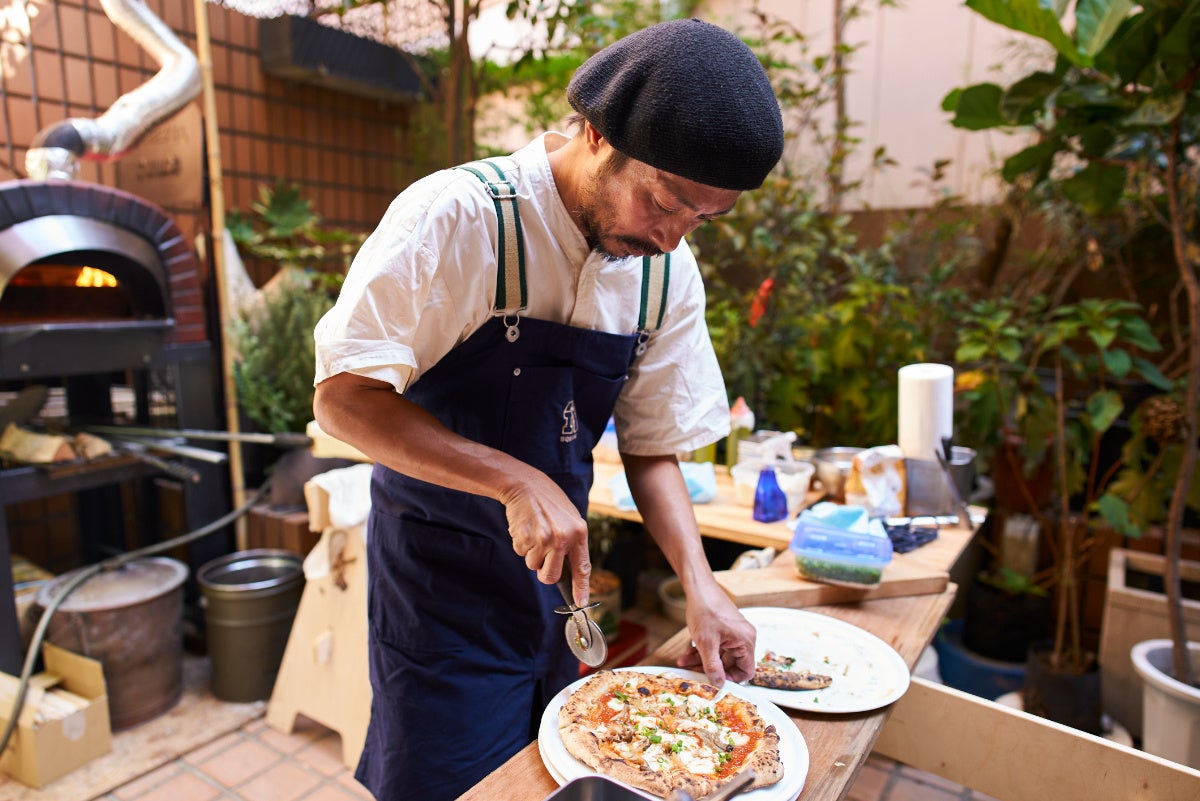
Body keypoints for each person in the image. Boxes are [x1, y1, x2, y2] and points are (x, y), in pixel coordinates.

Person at [311, 17, 784, 801]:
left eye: (703, 219)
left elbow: (652, 445)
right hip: (437, 587)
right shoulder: (461, 217)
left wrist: (702, 584)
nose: (672, 238)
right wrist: (515, 479)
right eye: (662, 201)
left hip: (557, 587)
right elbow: (344, 399)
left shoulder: (665, 273)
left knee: (551, 775)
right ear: (596, 134)